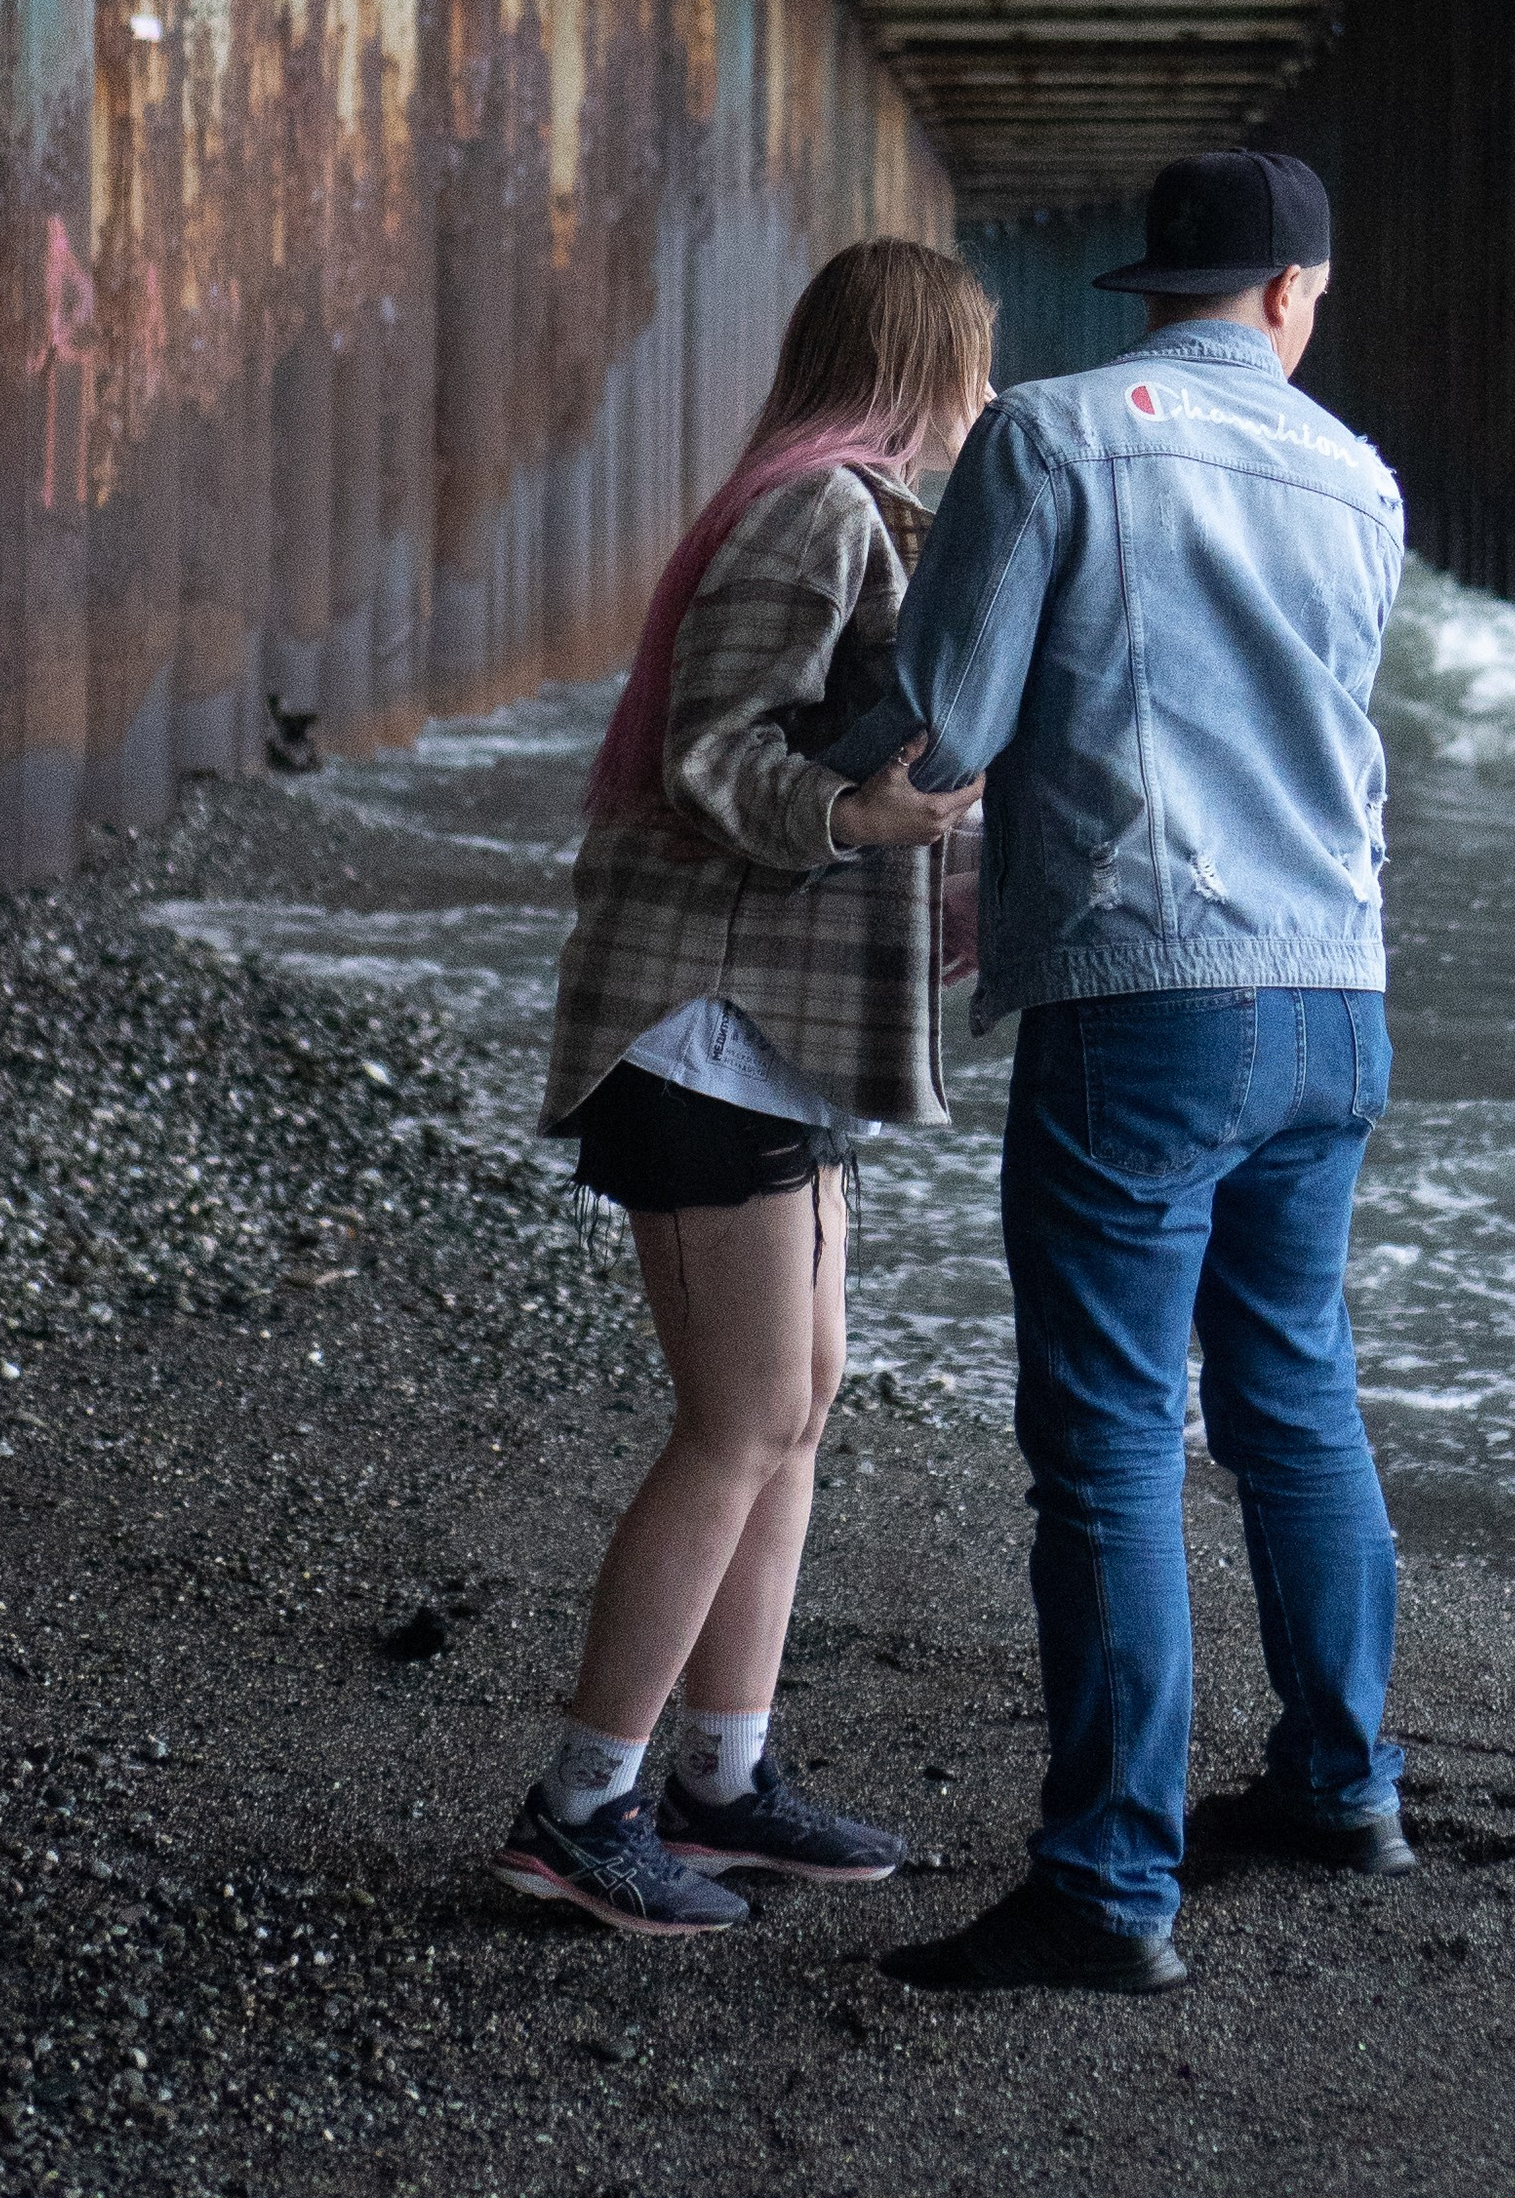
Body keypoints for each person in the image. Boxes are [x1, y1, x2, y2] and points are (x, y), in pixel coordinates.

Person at [842, 149, 1410, 1995]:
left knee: (1105, 1439)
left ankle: (1108, 1889)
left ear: (1157, 286)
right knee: (1295, 1398)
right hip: (1336, 991)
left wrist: (787, 759)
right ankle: (1341, 1784)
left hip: (1151, 992)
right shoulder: (1360, 477)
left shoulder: (1058, 436)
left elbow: (952, 720)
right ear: (1291, 292)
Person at [495, 237, 992, 1939]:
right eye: (975, 363)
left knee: (802, 1397)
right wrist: (861, 819)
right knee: (739, 1419)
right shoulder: (817, 510)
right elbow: (717, 750)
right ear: (916, 365)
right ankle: (582, 1808)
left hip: (766, 1039)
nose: (987, 398)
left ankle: (724, 1779)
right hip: (696, 1028)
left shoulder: (859, 510)